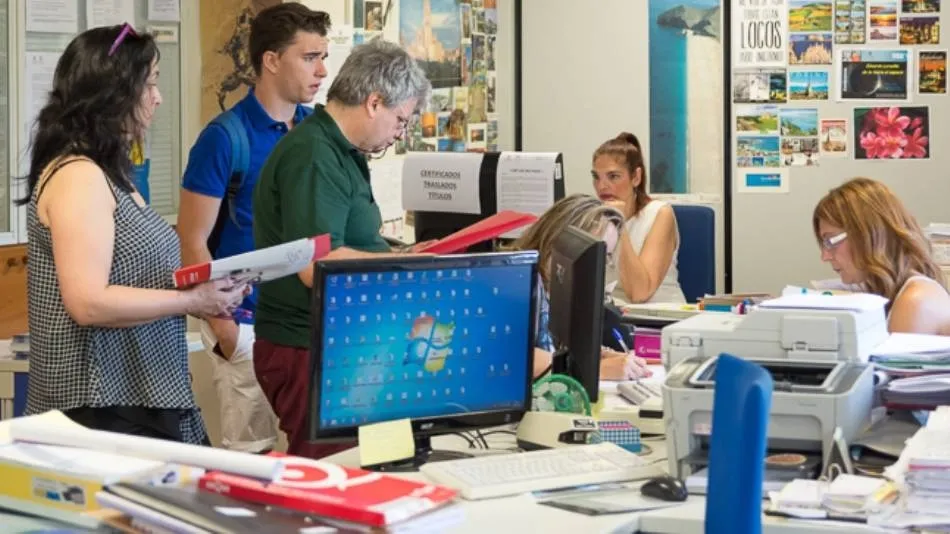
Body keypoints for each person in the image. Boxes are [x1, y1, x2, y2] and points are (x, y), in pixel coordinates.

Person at [21, 24, 248, 443]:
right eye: (151, 83)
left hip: (143, 395)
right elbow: (88, 302)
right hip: (100, 404)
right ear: (114, 93)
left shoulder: (112, 174)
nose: (157, 97)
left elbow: (132, 276)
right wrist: (192, 300)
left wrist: (207, 291)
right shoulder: (79, 176)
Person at [252, 38, 431, 458]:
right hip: (308, 347)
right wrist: (408, 267)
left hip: (343, 342)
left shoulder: (342, 150)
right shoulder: (315, 155)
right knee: (333, 473)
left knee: (375, 462)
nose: (399, 133)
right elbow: (318, 265)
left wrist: (401, 255)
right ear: (374, 102)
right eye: (400, 120)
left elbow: (348, 241)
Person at [176, 3, 331, 453]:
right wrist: (224, 328)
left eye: (323, 57)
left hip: (307, 328)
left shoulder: (317, 130)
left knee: (318, 456)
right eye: (310, 58)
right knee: (253, 460)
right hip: (246, 324)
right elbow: (191, 238)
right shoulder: (225, 137)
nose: (322, 71)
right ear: (271, 60)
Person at [508, 194, 653, 381]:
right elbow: (513, 355)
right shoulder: (518, 280)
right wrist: (594, 370)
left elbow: (557, 351)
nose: (596, 266)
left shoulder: (561, 290)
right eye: (592, 254)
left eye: (605, 257)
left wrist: (598, 356)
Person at [813, 177, 950, 334]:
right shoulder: (894, 291)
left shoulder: (915, 300)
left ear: (867, 234)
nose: (825, 256)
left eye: (831, 241)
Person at [592, 132, 686, 304]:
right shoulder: (596, 217)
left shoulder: (660, 213)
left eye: (613, 176)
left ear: (636, 177)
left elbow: (640, 293)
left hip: (657, 313)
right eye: (596, 177)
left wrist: (618, 224)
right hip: (616, 310)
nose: (601, 186)